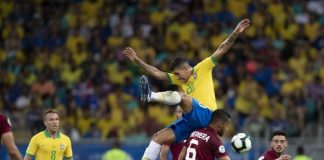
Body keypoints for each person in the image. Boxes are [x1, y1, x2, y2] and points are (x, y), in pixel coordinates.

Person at [123, 19, 250, 160]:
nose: (176, 77)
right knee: (158, 137)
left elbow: (222, 47)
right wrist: (136, 60)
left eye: (178, 73)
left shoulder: (203, 67)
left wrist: (236, 32)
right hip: (192, 120)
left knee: (183, 97)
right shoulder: (179, 78)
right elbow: (157, 73)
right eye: (175, 75)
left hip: (207, 115)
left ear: (186, 68)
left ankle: (150, 95)